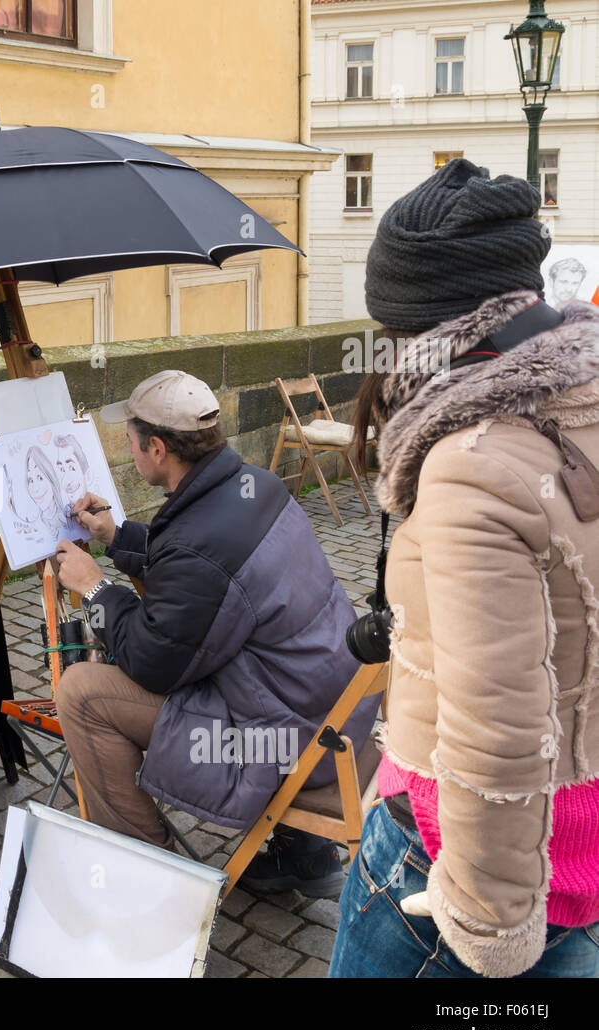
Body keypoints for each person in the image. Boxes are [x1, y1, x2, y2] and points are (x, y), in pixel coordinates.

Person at [331, 158, 599, 978]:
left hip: (461, 869)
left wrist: (484, 923)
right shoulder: (580, 398)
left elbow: (500, 733)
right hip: (579, 852)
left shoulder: (471, 461)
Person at [53, 369, 379, 896]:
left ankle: (151, 878)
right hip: (335, 705)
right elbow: (198, 567)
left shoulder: (199, 543)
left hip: (288, 736)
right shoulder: (256, 488)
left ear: (157, 448)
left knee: (82, 694)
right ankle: (305, 852)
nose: (130, 451)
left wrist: (95, 591)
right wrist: (116, 536)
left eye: (132, 441)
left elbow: (150, 661)